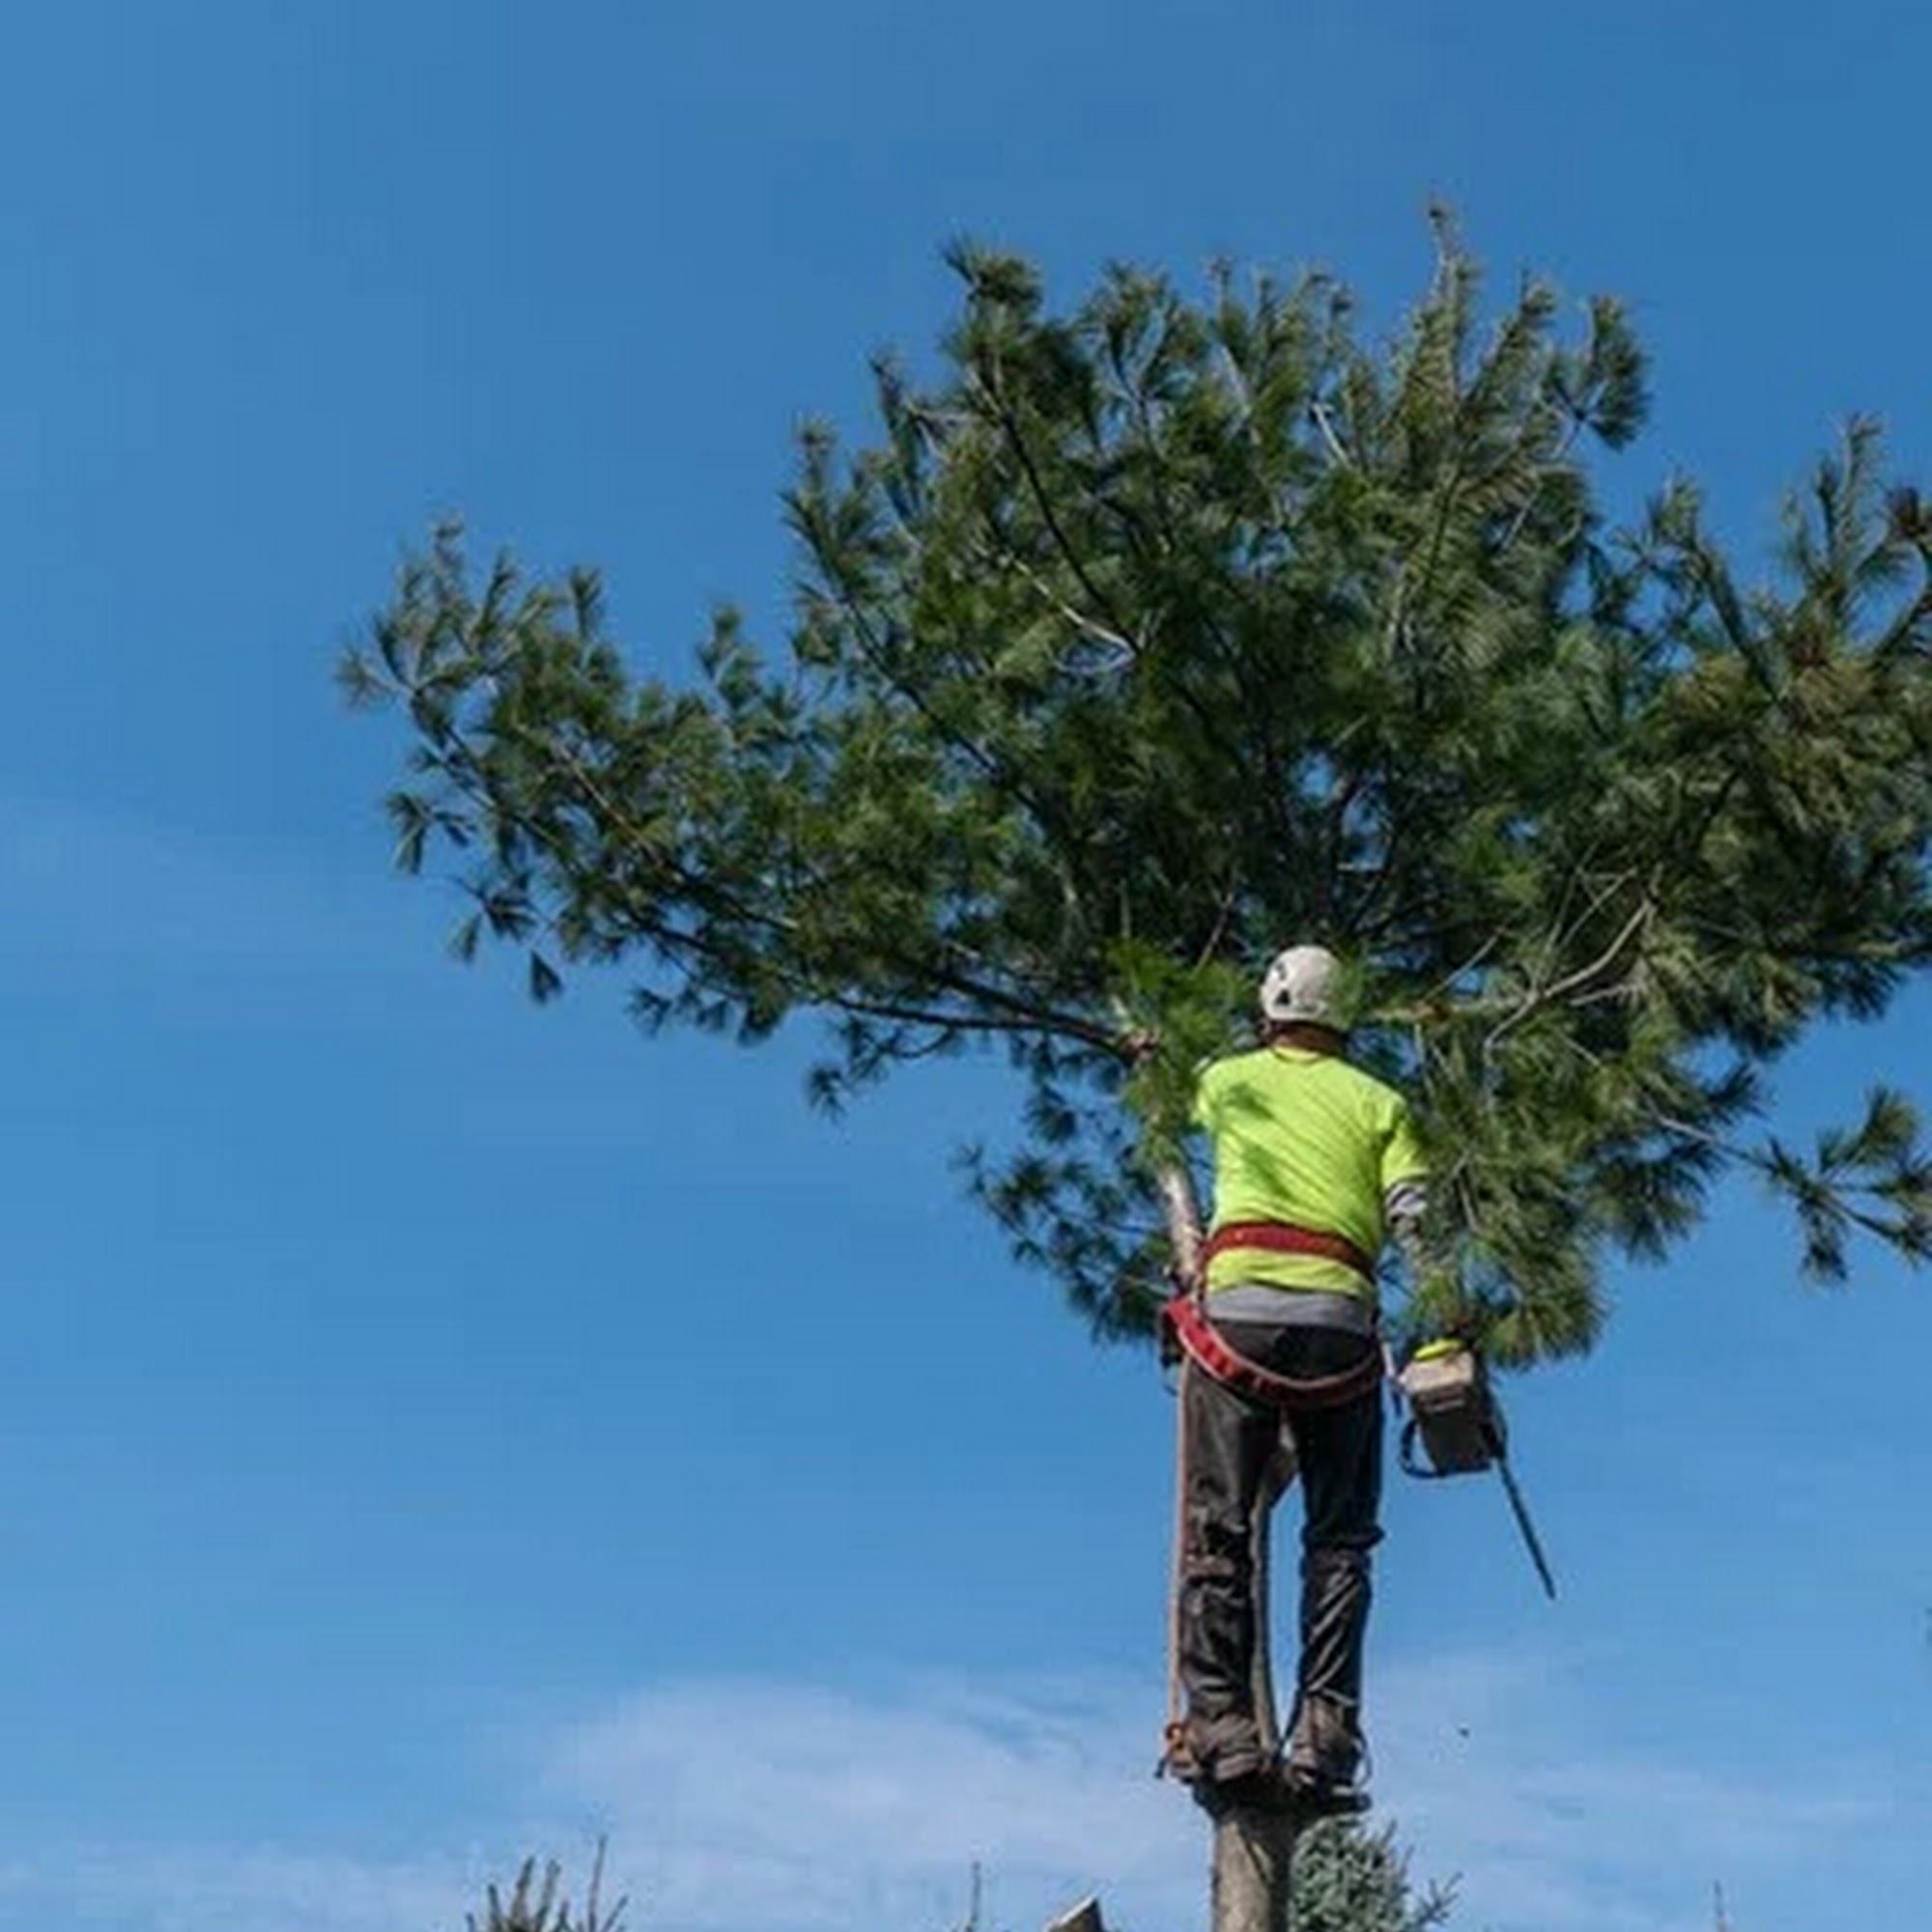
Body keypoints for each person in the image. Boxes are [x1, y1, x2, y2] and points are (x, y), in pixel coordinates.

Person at [1165, 943, 1431, 1812]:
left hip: (1237, 1315)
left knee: (1217, 1529)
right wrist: (1448, 1320)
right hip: (1339, 1326)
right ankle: (1325, 1741)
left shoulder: (1227, 1078)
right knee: (1340, 1540)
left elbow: (1159, 1105)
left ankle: (1221, 1729)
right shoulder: (1382, 1102)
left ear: (1270, 1006)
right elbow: (1414, 1221)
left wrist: (1151, 1049)